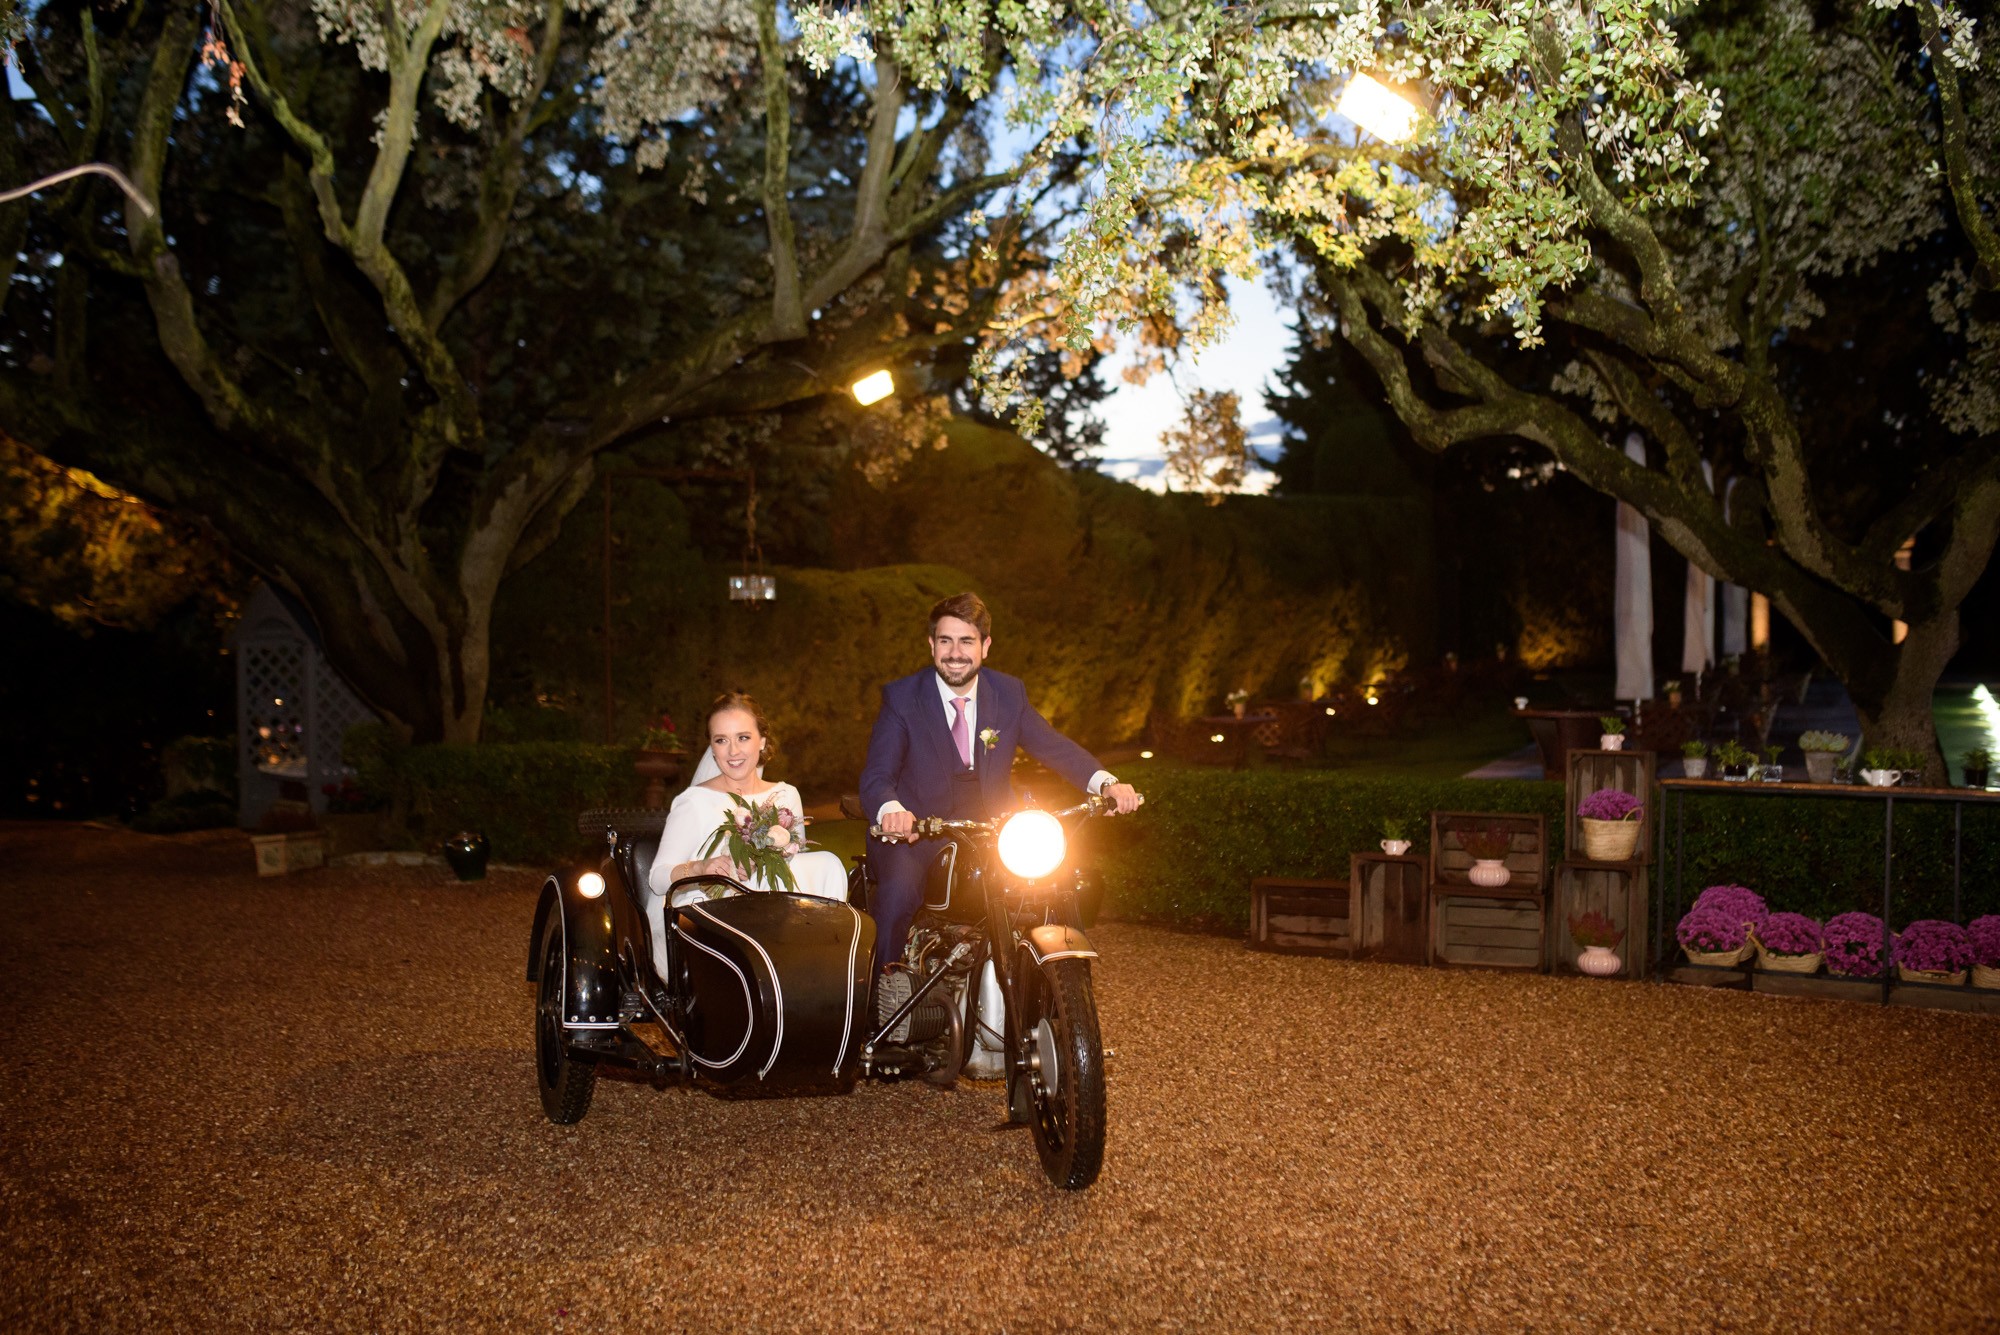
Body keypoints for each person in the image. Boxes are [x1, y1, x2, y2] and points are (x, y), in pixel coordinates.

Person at [859, 591, 1141, 975]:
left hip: (994, 830)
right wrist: (892, 810)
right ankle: (881, 992)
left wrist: (1106, 784)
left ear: (985, 646)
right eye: (945, 641)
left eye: (966, 641)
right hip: (919, 831)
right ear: (931, 644)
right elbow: (878, 775)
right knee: (897, 894)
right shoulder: (903, 697)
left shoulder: (1008, 693)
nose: (955, 653)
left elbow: (1054, 746)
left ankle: (1066, 991)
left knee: (1060, 882)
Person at [647, 692, 849, 917]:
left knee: (828, 863)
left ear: (762, 741)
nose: (733, 751)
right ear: (712, 748)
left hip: (776, 907)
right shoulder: (695, 801)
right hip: (710, 914)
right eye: (721, 740)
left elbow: (795, 866)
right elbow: (657, 879)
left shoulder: (786, 795)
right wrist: (700, 868)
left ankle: (827, 934)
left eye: (743, 737)